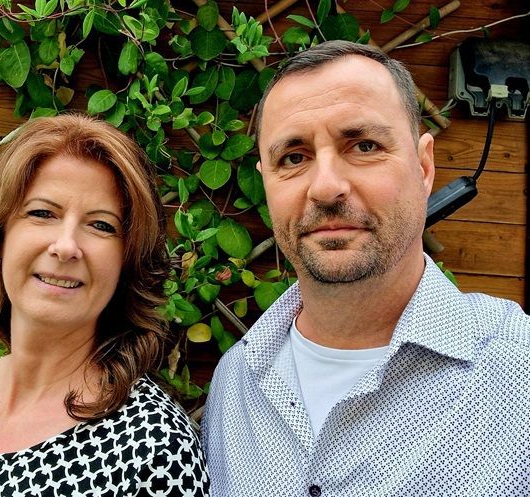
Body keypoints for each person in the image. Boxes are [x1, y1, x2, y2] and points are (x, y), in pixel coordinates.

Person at [203, 40, 530, 496]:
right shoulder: (235, 382)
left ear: (424, 167)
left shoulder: (518, 369)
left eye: (363, 145)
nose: (326, 187)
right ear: (267, 183)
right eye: (293, 158)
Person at [0, 114, 210, 496]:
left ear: (127, 262)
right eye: (42, 213)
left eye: (101, 225)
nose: (66, 246)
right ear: (0, 237)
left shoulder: (156, 446)